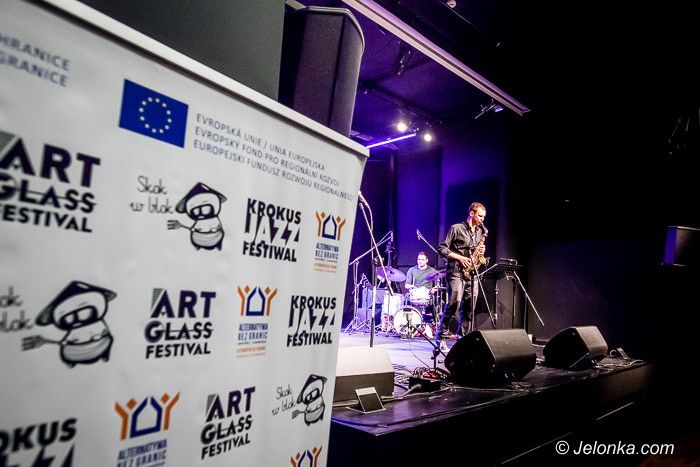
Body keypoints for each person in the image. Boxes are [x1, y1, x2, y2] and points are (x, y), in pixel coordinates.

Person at [435, 202, 488, 353]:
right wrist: (459, 257)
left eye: (484, 217)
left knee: (470, 308)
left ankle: (464, 340)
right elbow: (442, 248)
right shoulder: (456, 228)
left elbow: (477, 252)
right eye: (480, 216)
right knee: (454, 304)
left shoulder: (480, 231)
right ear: (471, 213)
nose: (482, 219)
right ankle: (441, 337)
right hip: (456, 271)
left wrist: (481, 251)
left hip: (472, 273)